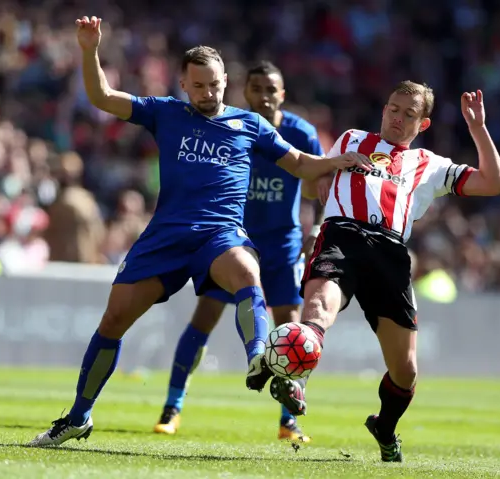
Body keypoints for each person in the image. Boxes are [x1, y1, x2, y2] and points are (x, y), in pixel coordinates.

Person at [28, 16, 363, 447]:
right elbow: (102, 97)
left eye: (216, 85)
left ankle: (258, 357)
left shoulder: (250, 125)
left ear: (226, 81)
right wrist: (90, 50)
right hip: (166, 235)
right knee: (113, 321)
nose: (209, 93)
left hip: (219, 234)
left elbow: (299, 163)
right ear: (184, 85)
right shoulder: (165, 112)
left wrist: (337, 162)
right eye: (200, 86)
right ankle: (78, 417)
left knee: (246, 271)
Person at [268, 81, 500, 462]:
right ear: (384, 108)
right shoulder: (351, 138)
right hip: (342, 234)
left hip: (389, 251)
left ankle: (385, 427)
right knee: (317, 311)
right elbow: (317, 186)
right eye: (394, 109)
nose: (398, 118)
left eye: (409, 114)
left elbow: (495, 183)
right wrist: (331, 171)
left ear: (423, 124)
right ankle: (294, 378)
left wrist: (477, 128)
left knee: (406, 371)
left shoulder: (431, 165)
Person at [153, 61, 325, 442]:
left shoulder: (301, 133)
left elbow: (319, 182)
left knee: (290, 330)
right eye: (256, 89)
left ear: (283, 94)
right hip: (231, 240)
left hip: (281, 245)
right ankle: (172, 406)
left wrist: (317, 229)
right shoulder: (231, 125)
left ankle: (288, 420)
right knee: (204, 319)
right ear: (244, 92)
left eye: (271, 90)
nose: (263, 96)